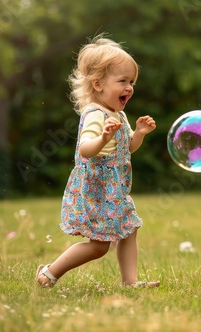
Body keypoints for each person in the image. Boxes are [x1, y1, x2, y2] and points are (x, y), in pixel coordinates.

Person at [36, 34, 159, 288]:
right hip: (97, 191)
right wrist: (102, 138)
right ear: (98, 84)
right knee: (99, 247)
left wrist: (138, 134)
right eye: (122, 81)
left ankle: (130, 281)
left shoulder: (119, 114)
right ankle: (49, 272)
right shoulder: (95, 115)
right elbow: (85, 150)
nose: (129, 87)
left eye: (132, 82)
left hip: (115, 191)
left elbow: (127, 149)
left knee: (129, 229)